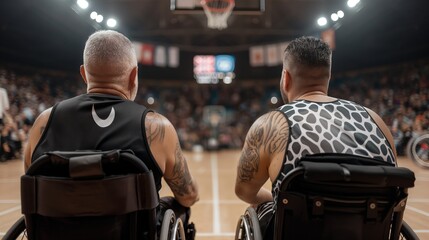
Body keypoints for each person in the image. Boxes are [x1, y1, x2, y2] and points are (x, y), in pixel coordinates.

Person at [23, 30, 199, 239]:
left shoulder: (44, 122)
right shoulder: (155, 127)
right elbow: (188, 196)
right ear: (134, 75)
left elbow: (32, 180)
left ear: (84, 73)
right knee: (182, 209)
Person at [234, 36, 397, 239]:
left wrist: (275, 199)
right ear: (328, 76)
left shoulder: (271, 124)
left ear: (286, 78)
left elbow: (244, 191)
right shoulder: (376, 121)